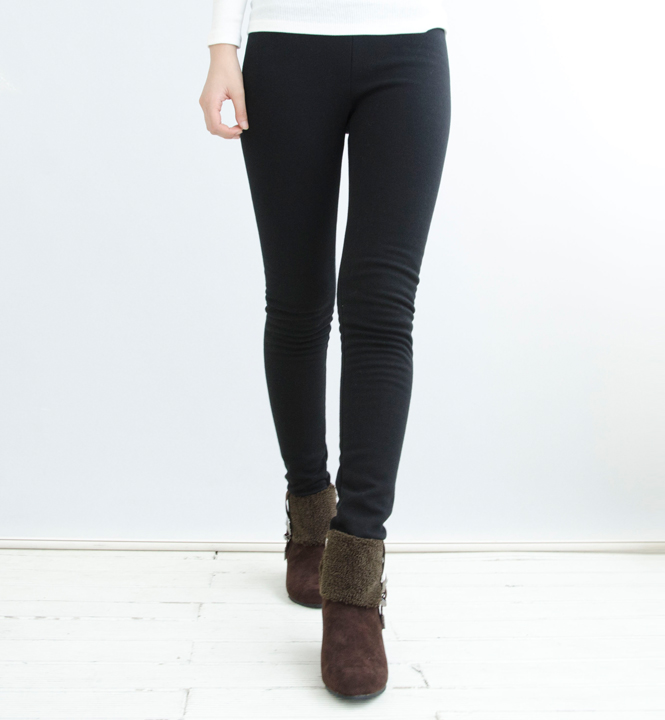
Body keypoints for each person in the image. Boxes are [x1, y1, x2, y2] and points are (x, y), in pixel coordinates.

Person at [199, 0, 451, 700]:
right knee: (298, 300)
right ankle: (309, 517)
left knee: (381, 308)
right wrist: (222, 44)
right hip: (286, 46)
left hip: (407, 47)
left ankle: (354, 588)